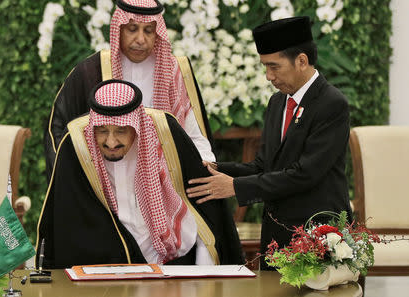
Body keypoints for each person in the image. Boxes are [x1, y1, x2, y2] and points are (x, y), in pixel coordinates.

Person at [186, 16, 353, 270]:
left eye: (274, 67)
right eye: (265, 67)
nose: (268, 76)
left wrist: (235, 187)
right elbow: (265, 165)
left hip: (318, 235)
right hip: (277, 237)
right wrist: (217, 169)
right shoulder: (277, 102)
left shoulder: (332, 103)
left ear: (301, 61)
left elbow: (304, 174)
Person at [36, 80, 243, 269]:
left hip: (170, 261)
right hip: (105, 265)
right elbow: (65, 219)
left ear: (137, 126)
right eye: (102, 131)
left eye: (121, 131)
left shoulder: (165, 132)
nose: (111, 142)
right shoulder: (76, 143)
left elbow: (202, 203)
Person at [44, 0, 214, 181]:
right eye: (132, 29)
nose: (141, 39)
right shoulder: (91, 71)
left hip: (162, 184)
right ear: (119, 29)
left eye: (148, 31)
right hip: (105, 186)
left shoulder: (171, 71)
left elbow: (193, 134)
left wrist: (206, 163)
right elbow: (59, 129)